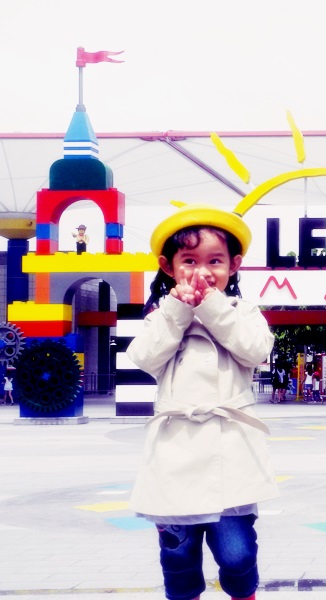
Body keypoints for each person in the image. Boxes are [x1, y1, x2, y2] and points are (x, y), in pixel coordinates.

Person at [126, 204, 279, 600]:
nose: (203, 271)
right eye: (190, 261)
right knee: (178, 557)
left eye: (215, 260)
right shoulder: (162, 316)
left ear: (234, 265)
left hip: (232, 454)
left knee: (237, 555)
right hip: (174, 456)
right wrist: (179, 310)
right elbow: (144, 357)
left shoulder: (243, 312)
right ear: (168, 266)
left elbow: (255, 350)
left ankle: (243, 593)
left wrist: (211, 307)